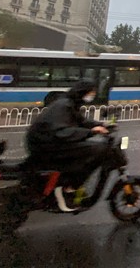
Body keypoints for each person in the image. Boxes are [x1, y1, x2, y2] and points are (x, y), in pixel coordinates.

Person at [26, 78, 109, 212]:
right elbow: (62, 132)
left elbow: (81, 122)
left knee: (89, 148)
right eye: (91, 92)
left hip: (48, 142)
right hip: (46, 145)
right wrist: (90, 132)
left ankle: (67, 183)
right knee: (97, 149)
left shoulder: (69, 104)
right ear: (83, 92)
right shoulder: (64, 105)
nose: (92, 95)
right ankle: (68, 189)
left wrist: (101, 125)